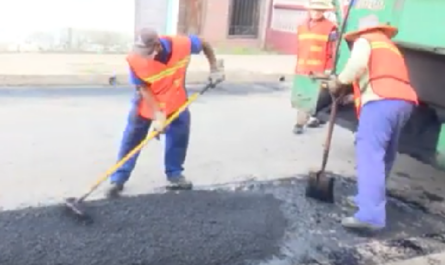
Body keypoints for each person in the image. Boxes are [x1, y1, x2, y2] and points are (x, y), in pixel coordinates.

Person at [106, 28, 224, 198]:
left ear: (157, 46)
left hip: (176, 99)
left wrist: (214, 69)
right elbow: (143, 87)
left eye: (147, 53)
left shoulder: (181, 45)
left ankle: (174, 174)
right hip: (147, 102)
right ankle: (118, 178)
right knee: (132, 138)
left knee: (179, 135)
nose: (143, 57)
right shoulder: (134, 60)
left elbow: (204, 43)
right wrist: (159, 114)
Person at [325, 16, 418, 231]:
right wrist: (352, 97)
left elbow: (357, 65)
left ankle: (370, 217)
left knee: (370, 155)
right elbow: (383, 76)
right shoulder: (390, 46)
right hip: (404, 101)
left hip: (381, 101)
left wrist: (339, 82)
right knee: (385, 155)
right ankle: (366, 199)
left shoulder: (365, 41)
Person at [293, 0, 338, 135]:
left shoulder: (331, 28)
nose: (316, 13)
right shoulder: (301, 26)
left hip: (320, 69)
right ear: (309, 10)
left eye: (319, 10)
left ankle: (307, 121)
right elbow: (301, 48)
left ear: (324, 12)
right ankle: (301, 122)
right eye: (314, 10)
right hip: (303, 68)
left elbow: (333, 49)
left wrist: (329, 68)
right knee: (304, 95)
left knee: (318, 95)